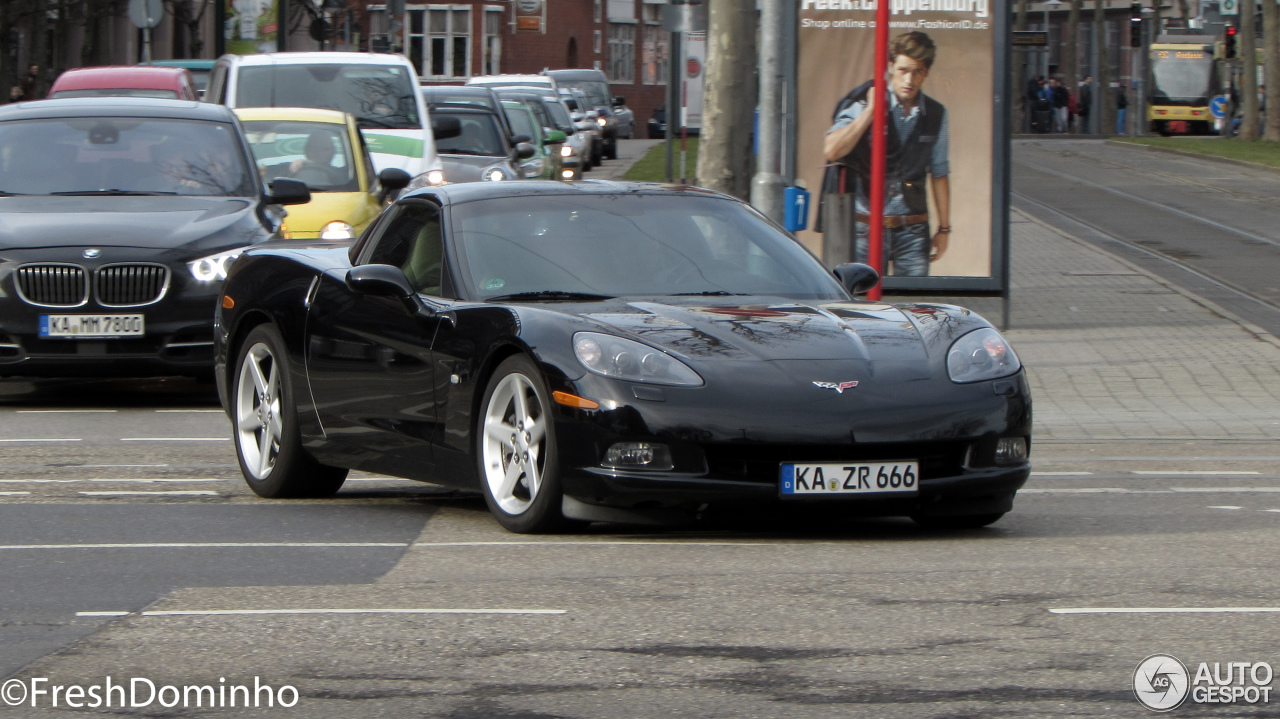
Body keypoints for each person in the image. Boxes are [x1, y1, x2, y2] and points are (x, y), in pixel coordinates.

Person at [822, 31, 950, 277]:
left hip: (913, 230)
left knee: (913, 307)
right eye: (903, 70)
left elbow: (940, 171)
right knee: (866, 308)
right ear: (891, 66)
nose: (909, 79)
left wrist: (944, 229)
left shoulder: (936, 113)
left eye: (918, 72)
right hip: (866, 228)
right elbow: (832, 149)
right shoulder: (862, 101)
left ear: (926, 73)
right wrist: (871, 111)